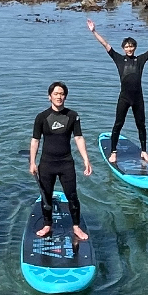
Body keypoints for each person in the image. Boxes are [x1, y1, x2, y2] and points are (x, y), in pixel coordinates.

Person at [86, 19, 148, 165]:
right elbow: (105, 45)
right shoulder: (119, 59)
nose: (129, 49)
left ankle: (144, 152)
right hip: (124, 98)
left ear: (135, 47)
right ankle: (113, 152)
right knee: (118, 124)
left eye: (131, 46)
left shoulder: (140, 60)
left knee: (141, 125)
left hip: (138, 98)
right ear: (123, 49)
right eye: (127, 47)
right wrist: (94, 31)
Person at [30, 81, 92, 240]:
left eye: (62, 94)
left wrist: (86, 160)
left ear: (65, 96)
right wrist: (32, 162)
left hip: (66, 163)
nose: (59, 97)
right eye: (56, 94)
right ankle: (47, 225)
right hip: (46, 164)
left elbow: (78, 138)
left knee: (72, 196)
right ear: (49, 96)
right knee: (46, 196)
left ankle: (76, 227)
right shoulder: (41, 117)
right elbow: (35, 140)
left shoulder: (72, 116)